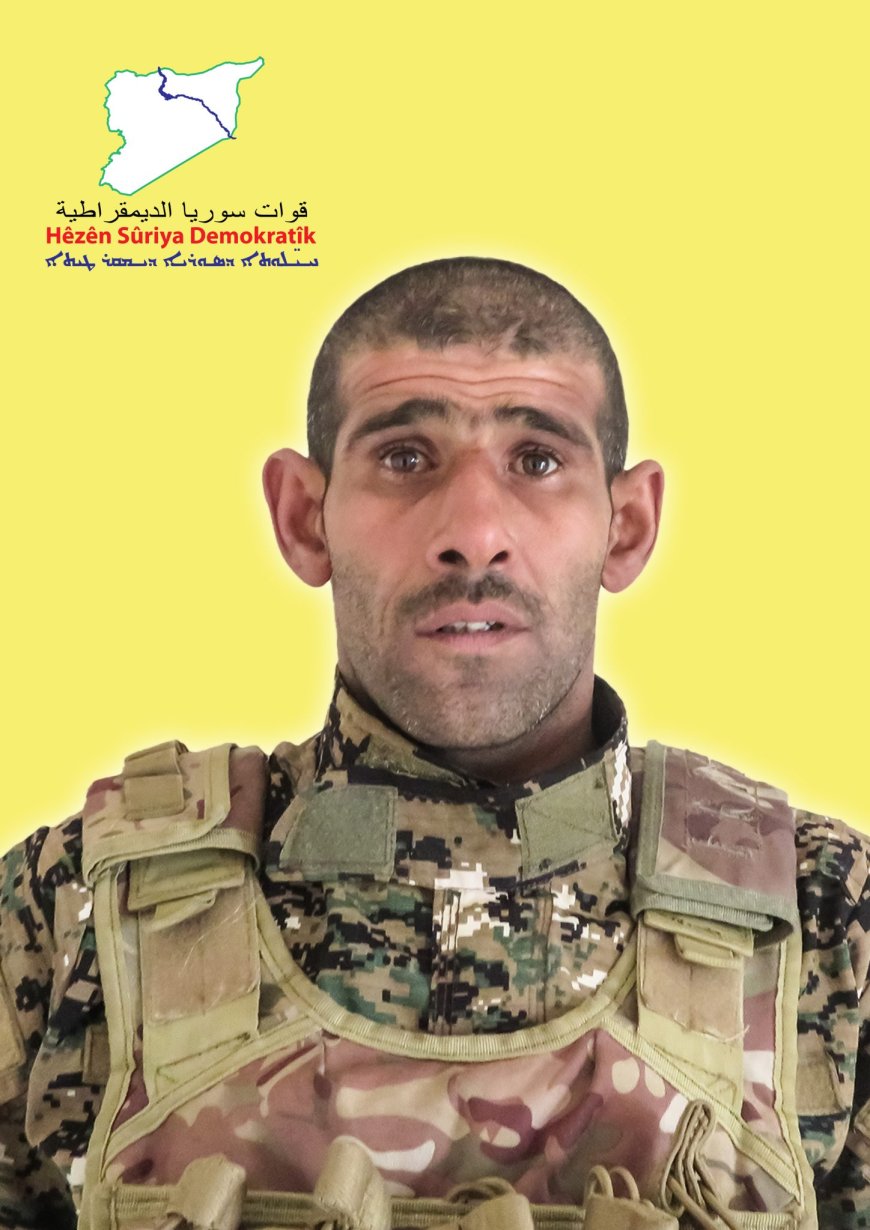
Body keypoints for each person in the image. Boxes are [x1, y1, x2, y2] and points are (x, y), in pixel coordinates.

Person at [0, 257, 867, 1230]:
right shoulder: (77, 906)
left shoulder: (826, 916)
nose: (475, 531)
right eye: (406, 458)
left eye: (538, 460)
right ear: (303, 517)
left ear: (625, 527)